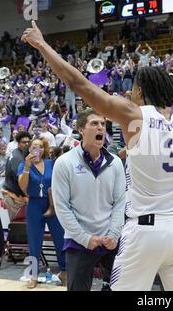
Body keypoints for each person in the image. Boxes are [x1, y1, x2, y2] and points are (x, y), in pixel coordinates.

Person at [21, 21, 173, 290]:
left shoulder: (134, 115)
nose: (131, 93)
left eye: (134, 88)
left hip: (145, 232)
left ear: (141, 92)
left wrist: (41, 44)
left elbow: (79, 83)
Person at [52, 109, 126, 291]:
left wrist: (114, 234)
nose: (100, 127)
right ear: (81, 130)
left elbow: (120, 202)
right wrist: (84, 238)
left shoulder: (115, 162)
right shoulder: (64, 163)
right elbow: (61, 207)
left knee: (123, 288)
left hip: (110, 239)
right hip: (78, 241)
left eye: (102, 124)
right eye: (94, 124)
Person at [17, 137, 66, 289]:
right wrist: (26, 166)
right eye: (33, 146)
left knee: (60, 239)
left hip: (52, 204)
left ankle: (64, 271)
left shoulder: (52, 163)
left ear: (44, 149)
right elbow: (23, 187)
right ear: (29, 149)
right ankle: (33, 275)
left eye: (40, 146)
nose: (37, 149)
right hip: (34, 205)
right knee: (34, 242)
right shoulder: (23, 165)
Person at [3, 131, 31, 220]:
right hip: (14, 195)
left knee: (20, 224)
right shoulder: (17, 157)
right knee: (18, 225)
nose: (26, 144)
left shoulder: (19, 153)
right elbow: (21, 181)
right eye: (23, 142)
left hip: (14, 192)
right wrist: (28, 196)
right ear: (18, 143)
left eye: (28, 142)